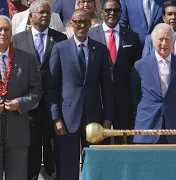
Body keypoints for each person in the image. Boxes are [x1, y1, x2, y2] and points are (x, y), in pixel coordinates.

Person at [48, 9, 114, 180]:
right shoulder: (60, 48)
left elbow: (107, 86)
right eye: (78, 22)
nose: (82, 25)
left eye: (85, 22)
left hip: (94, 116)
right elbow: (53, 87)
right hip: (67, 116)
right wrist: (56, 118)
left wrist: (107, 118)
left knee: (93, 161)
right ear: (71, 23)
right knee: (68, 164)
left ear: (90, 24)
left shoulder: (99, 49)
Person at [12, 0, 67, 179]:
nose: (45, 15)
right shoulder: (18, 39)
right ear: (31, 16)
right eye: (41, 12)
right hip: (29, 106)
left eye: (48, 12)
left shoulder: (60, 38)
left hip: (53, 105)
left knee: (53, 150)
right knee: (31, 151)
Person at [88, 0, 142, 144]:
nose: (112, 13)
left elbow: (136, 68)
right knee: (99, 142)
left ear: (121, 13)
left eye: (116, 10)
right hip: (98, 98)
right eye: (108, 10)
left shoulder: (132, 36)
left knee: (124, 142)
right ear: (102, 12)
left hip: (124, 98)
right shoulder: (91, 35)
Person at [131, 23, 176, 144]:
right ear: (153, 41)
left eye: (168, 39)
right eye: (160, 39)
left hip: (175, 129)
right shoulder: (139, 66)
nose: (164, 43)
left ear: (173, 41)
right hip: (147, 127)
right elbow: (134, 96)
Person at [0, 15, 42, 180]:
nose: (3, 33)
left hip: (17, 131)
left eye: (6, 29)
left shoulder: (26, 59)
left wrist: (20, 103)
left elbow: (36, 90)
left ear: (12, 33)